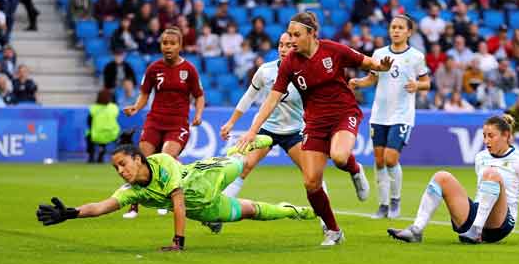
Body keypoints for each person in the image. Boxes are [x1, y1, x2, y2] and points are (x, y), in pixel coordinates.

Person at [236, 11, 393, 246]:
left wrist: (382, 67)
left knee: (339, 156)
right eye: (289, 34)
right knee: (311, 182)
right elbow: (271, 100)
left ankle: (354, 168)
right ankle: (334, 231)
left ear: (311, 34)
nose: (291, 40)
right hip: (314, 123)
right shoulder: (290, 62)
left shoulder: (333, 50)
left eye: (296, 35)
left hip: (343, 113)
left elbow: (368, 63)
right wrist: (252, 130)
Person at [37, 130, 315, 251]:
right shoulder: (133, 190)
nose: (121, 171)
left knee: (240, 162)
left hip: (208, 176)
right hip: (202, 208)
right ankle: (299, 212)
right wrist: (71, 213)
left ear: (138, 159)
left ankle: (242, 146)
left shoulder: (163, 162)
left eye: (123, 164)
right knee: (254, 211)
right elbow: (102, 206)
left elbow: (177, 203)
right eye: (117, 169)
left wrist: (178, 242)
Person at [218, 32, 330, 234]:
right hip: (265, 128)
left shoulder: (306, 71)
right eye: (280, 45)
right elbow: (248, 97)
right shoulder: (265, 71)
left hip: (294, 131)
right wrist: (231, 122)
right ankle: (219, 216)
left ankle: (326, 221)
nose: (283, 48)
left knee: (313, 174)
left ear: (296, 47)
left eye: (288, 45)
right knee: (243, 167)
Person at [388, 115, 519, 245]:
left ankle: (476, 230)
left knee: (492, 174)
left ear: (506, 136)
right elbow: (483, 191)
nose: (486, 140)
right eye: (484, 136)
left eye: (491, 136)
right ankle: (416, 230)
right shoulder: (480, 157)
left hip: (501, 223)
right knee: (442, 177)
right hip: (477, 212)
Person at [349, 15, 431, 219]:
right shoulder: (379, 53)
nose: (396, 31)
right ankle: (383, 205)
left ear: (409, 32)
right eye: (393, 27)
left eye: (400, 28)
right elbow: (372, 78)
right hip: (379, 114)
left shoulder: (416, 56)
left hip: (402, 114)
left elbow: (427, 82)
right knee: (378, 160)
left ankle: (395, 200)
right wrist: (359, 82)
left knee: (390, 158)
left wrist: (417, 85)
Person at [122, 26, 205, 219]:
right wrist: (136, 107)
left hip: (177, 124)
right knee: (141, 160)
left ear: (180, 46)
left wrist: (198, 114)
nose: (168, 47)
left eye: (172, 43)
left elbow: (199, 96)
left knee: (166, 160)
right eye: (164, 43)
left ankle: (165, 201)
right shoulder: (154, 68)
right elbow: (144, 93)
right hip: (155, 121)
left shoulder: (189, 70)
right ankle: (134, 205)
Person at [86, 89, 120, 163]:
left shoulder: (93, 108)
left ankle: (91, 156)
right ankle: (103, 151)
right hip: (112, 134)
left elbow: (89, 122)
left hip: (96, 135)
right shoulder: (114, 107)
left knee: (88, 135)